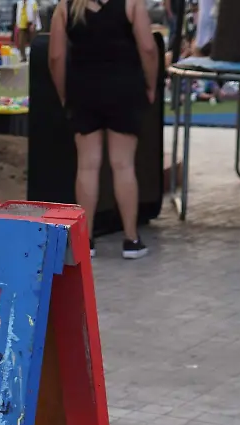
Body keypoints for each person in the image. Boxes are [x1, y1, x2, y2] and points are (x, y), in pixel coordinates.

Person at [49, 0, 158, 258]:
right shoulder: (132, 4)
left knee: (87, 166)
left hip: (84, 90)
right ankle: (131, 240)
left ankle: (85, 241)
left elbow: (55, 57)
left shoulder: (66, 6)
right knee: (123, 165)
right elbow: (148, 48)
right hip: (124, 89)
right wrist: (151, 86)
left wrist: (64, 94)